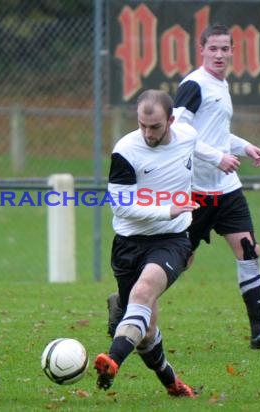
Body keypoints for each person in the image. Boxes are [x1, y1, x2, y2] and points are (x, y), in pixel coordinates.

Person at [107, 24, 260, 349]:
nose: (220, 54)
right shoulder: (195, 84)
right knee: (182, 259)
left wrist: (242, 147)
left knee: (249, 249)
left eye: (225, 48)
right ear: (202, 51)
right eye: (214, 49)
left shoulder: (221, 85)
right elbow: (182, 133)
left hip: (227, 189)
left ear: (233, 51)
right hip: (194, 193)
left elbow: (215, 134)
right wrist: (217, 157)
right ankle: (127, 304)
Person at [94, 89, 199, 397]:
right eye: (142, 125)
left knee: (143, 292)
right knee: (146, 332)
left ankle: (112, 361)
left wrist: (229, 154)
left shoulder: (187, 135)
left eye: (155, 127)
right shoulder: (126, 150)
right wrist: (167, 209)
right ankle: (172, 383)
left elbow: (201, 147)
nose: (147, 133)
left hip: (171, 240)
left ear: (171, 120)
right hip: (129, 243)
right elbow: (121, 205)